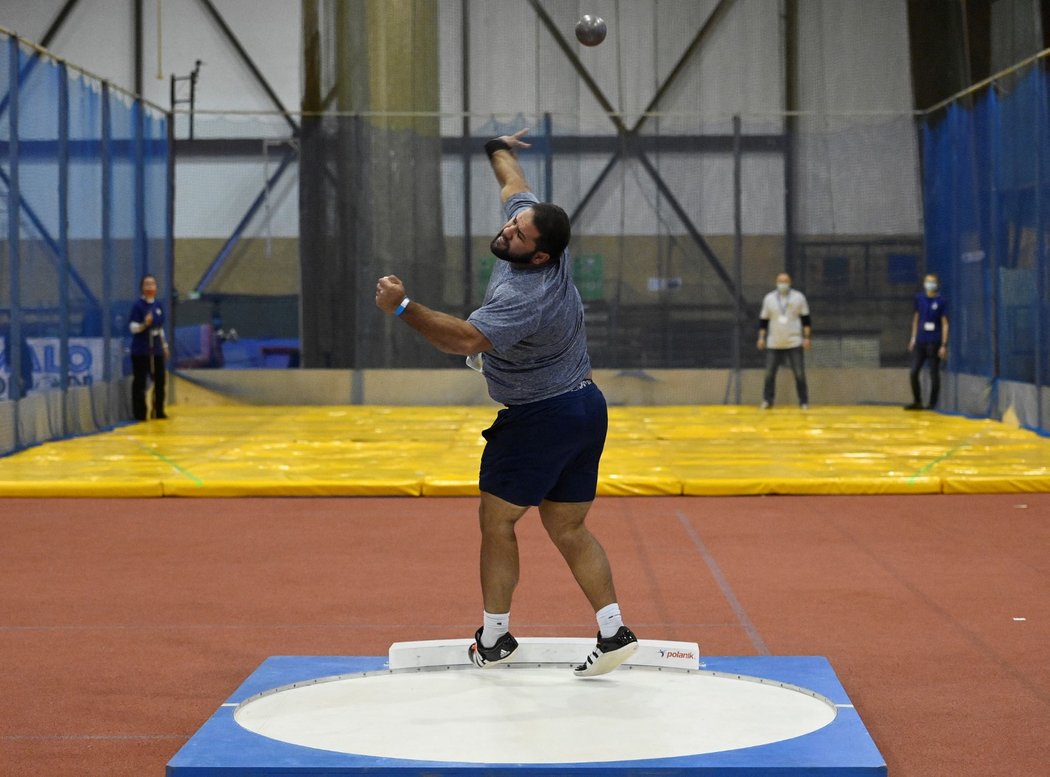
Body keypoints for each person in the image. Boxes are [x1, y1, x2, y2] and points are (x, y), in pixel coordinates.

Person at [375, 127, 638, 678]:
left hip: (542, 418)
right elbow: (512, 183)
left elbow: (464, 340)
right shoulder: (537, 238)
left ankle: (494, 639)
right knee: (567, 527)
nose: (507, 231)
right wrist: (495, 146)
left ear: (540, 256)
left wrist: (403, 308)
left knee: (497, 522)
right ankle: (614, 631)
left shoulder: (527, 294)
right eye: (513, 223)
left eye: (518, 234)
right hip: (586, 407)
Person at [757, 272, 811, 409]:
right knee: (769, 373)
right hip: (774, 343)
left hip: (794, 342)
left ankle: (803, 401)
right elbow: (763, 321)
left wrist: (806, 338)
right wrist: (761, 338)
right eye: (780, 281)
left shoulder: (799, 297)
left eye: (785, 281)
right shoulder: (769, 298)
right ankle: (767, 400)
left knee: (799, 373)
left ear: (790, 282)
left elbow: (806, 320)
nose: (783, 284)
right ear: (776, 282)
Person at [905, 273, 949, 410]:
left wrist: (943, 344)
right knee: (913, 372)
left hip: (934, 342)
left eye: (933, 282)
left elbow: (945, 324)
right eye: (927, 282)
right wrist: (913, 338)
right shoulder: (919, 298)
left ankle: (932, 404)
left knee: (933, 373)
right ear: (924, 283)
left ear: (937, 284)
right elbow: (916, 319)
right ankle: (917, 401)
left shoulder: (941, 301)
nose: (930, 284)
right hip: (920, 341)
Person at [128, 273, 169, 420]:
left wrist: (164, 346)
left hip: (156, 349)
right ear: (142, 288)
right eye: (147, 284)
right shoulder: (138, 306)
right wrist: (144, 324)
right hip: (141, 350)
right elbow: (132, 327)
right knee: (140, 382)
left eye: (152, 284)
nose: (150, 287)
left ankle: (159, 410)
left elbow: (160, 328)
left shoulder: (158, 305)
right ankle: (140, 413)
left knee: (160, 380)